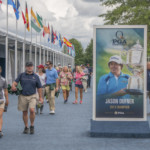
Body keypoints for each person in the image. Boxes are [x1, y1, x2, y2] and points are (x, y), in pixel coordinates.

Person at [11, 62, 43, 134]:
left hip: (32, 96)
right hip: (23, 96)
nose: (29, 67)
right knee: (24, 112)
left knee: (32, 110)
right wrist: (13, 86)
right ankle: (26, 127)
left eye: (31, 66)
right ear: (25, 67)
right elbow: (15, 82)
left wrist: (40, 97)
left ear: (33, 67)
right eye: (28, 66)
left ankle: (32, 125)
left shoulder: (36, 76)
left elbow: (39, 87)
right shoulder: (21, 75)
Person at [0, 66, 9, 138]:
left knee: (0, 115)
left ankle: (0, 131)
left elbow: (5, 90)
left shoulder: (3, 80)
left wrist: (7, 100)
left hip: (1, 100)